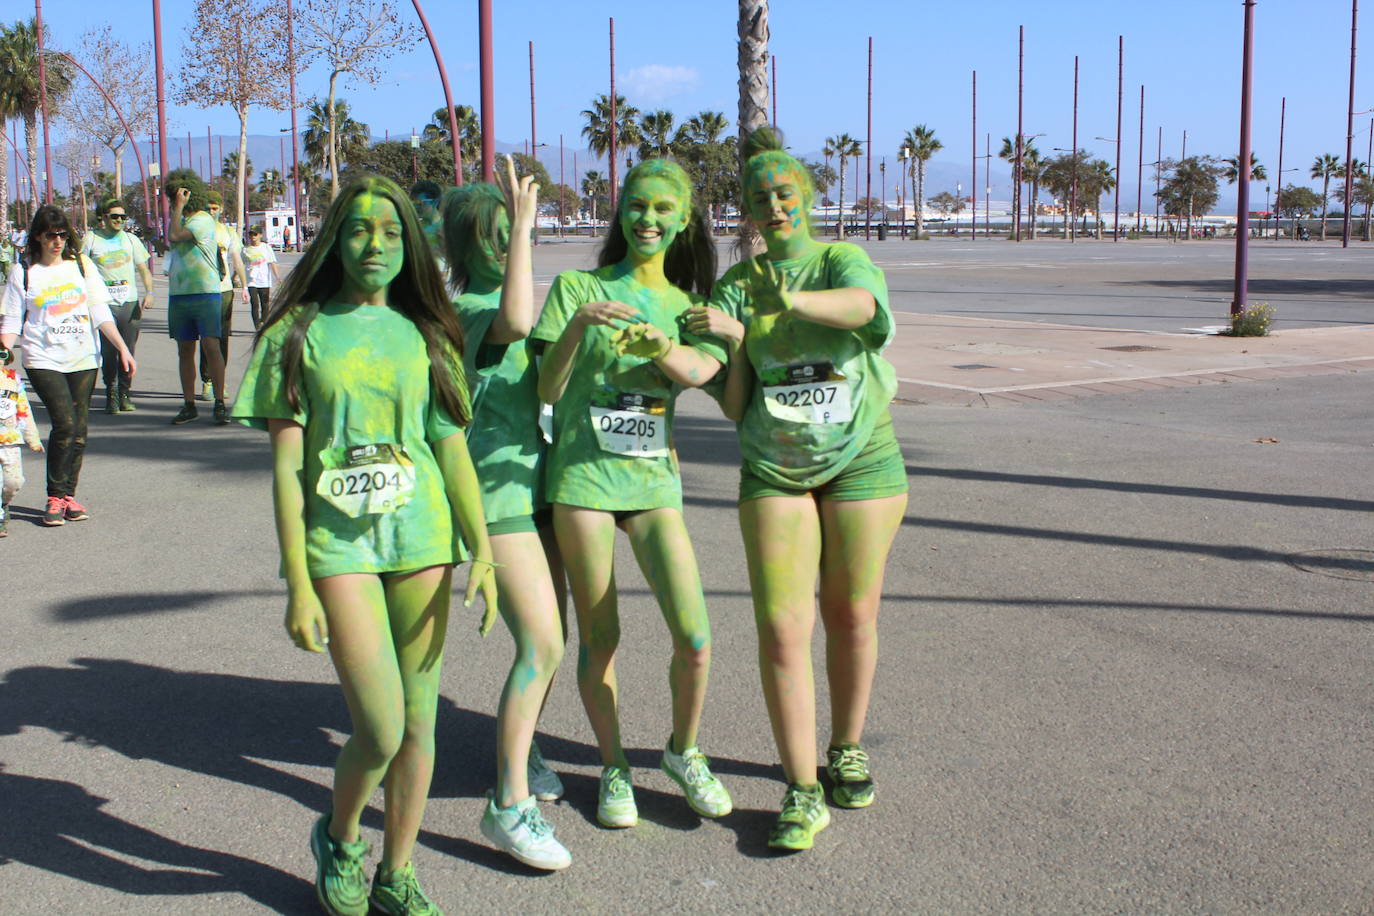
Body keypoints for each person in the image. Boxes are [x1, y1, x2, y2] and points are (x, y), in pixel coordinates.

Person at [231, 174, 497, 916]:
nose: (373, 245)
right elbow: (287, 470)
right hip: (339, 548)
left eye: (388, 231)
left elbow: (450, 450)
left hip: (423, 541)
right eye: (357, 230)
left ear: (409, 242)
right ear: (334, 239)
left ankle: (397, 872)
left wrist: (485, 550)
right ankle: (342, 836)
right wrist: (297, 582)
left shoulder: (429, 332)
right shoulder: (296, 334)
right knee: (378, 728)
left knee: (421, 722)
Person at [687, 126, 908, 852]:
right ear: (745, 210)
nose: (773, 206)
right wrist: (740, 336)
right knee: (783, 629)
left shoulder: (840, 259)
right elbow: (731, 401)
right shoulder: (734, 286)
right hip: (774, 466)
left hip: (862, 462)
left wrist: (790, 309)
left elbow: (866, 312)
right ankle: (800, 787)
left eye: (784, 193)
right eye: (758, 198)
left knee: (850, 614)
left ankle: (845, 748)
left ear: (807, 197)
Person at [533, 159, 732, 830]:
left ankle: (683, 749)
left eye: (662, 210)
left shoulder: (686, 306)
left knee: (696, 636)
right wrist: (577, 326)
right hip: (584, 481)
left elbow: (706, 375)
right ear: (620, 211)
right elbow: (546, 388)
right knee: (601, 636)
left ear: (682, 222)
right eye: (637, 207)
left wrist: (661, 349)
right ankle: (614, 765)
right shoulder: (577, 286)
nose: (648, 219)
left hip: (653, 484)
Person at [441, 160, 570, 870]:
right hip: (498, 499)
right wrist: (524, 224)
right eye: (490, 236)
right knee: (542, 645)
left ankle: (526, 749)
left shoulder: (510, 296)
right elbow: (518, 319)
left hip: (540, 488)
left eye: (509, 233)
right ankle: (508, 803)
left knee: (555, 638)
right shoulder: (474, 312)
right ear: (466, 249)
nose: (504, 245)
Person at [0, 205, 137, 526]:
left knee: (79, 430)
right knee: (64, 424)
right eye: (51, 235)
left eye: (63, 234)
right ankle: (53, 495)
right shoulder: (24, 271)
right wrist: (4, 350)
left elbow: (100, 312)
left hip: (83, 358)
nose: (58, 241)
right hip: (43, 358)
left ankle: (67, 496)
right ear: (37, 236)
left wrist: (122, 348)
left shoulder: (82, 266)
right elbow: (11, 319)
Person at [163, 169, 229, 426]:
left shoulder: (202, 220)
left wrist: (177, 208)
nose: (174, 201)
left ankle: (220, 403)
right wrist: (176, 212)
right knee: (184, 349)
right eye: (172, 197)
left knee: (211, 346)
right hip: (180, 295)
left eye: (177, 196)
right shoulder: (180, 219)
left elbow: (175, 236)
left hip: (205, 293)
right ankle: (188, 404)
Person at [82, 197, 154, 413]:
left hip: (128, 302)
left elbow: (143, 269)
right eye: (115, 217)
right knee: (109, 350)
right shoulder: (92, 239)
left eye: (123, 217)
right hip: (104, 304)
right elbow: (79, 268)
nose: (120, 221)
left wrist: (149, 292)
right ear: (104, 217)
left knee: (128, 349)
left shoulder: (131, 240)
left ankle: (125, 393)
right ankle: (111, 392)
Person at [199, 190, 247, 403]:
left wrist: (244, 285)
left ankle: (220, 377)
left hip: (225, 289)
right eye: (208, 208)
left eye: (215, 208)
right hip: (204, 290)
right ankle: (207, 380)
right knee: (208, 337)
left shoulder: (227, 232)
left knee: (223, 337)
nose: (212, 212)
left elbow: (236, 259)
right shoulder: (197, 230)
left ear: (221, 209)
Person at [0, 346, 44, 536]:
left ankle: (4, 502)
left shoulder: (13, 381)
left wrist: (32, 437)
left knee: (14, 481)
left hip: (10, 440)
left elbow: (24, 410)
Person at [242, 226, 280, 329]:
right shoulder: (245, 249)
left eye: (255, 234)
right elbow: (240, 265)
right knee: (254, 304)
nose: (252, 236)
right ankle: (257, 326)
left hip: (264, 281)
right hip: (251, 281)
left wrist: (277, 277)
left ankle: (264, 322)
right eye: (251, 234)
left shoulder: (266, 248)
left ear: (260, 235)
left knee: (265, 304)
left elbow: (272, 263)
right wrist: (237, 278)